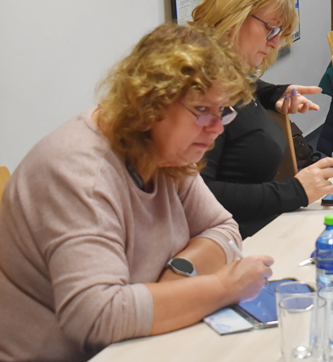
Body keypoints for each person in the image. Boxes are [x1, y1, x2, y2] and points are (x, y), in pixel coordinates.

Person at [0, 23, 274, 362]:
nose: (217, 129)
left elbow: (223, 229)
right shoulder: (80, 173)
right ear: (150, 104)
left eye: (223, 111)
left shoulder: (167, 153)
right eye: (202, 111)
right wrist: (223, 288)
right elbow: (97, 317)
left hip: (135, 346)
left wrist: (177, 277)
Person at [191, 0, 333, 238]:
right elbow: (201, 194)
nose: (275, 43)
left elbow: (244, 86)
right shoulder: (203, 90)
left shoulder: (226, 72)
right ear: (234, 14)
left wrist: (273, 93)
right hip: (233, 242)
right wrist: (296, 190)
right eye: (270, 29)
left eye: (280, 33)